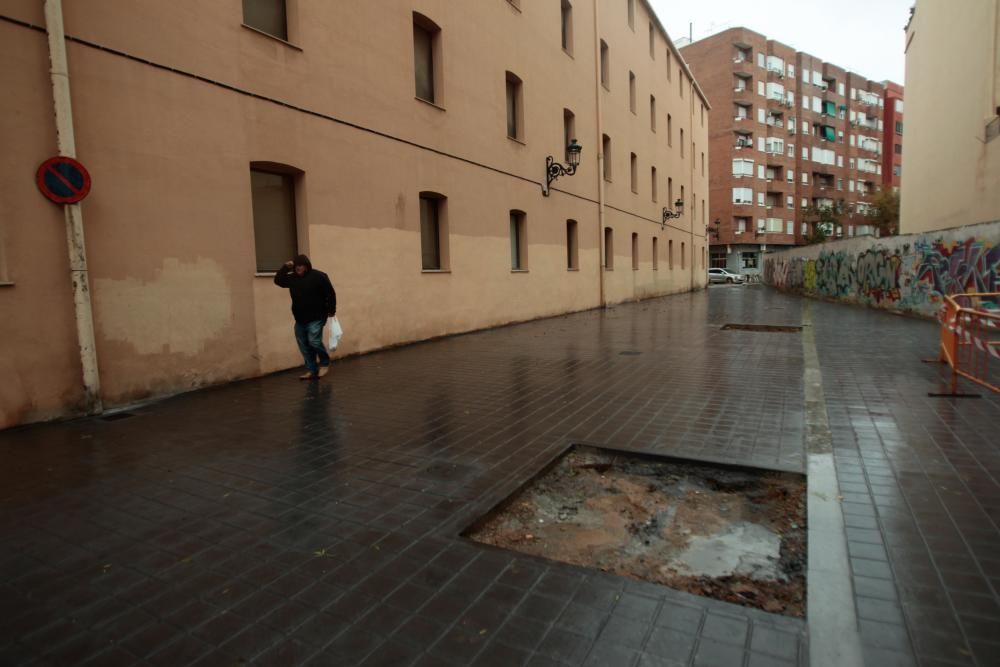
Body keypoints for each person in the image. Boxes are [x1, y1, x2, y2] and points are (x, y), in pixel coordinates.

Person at [274, 255, 337, 380]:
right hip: (300, 318)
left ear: (306, 266)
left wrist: (331, 310)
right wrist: (286, 267)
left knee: (314, 341)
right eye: (296, 266)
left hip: (317, 316)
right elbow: (278, 281)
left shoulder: (318, 276)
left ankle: (324, 363)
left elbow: (330, 293)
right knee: (303, 344)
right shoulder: (292, 278)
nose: (298, 268)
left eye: (301, 266)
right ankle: (312, 369)